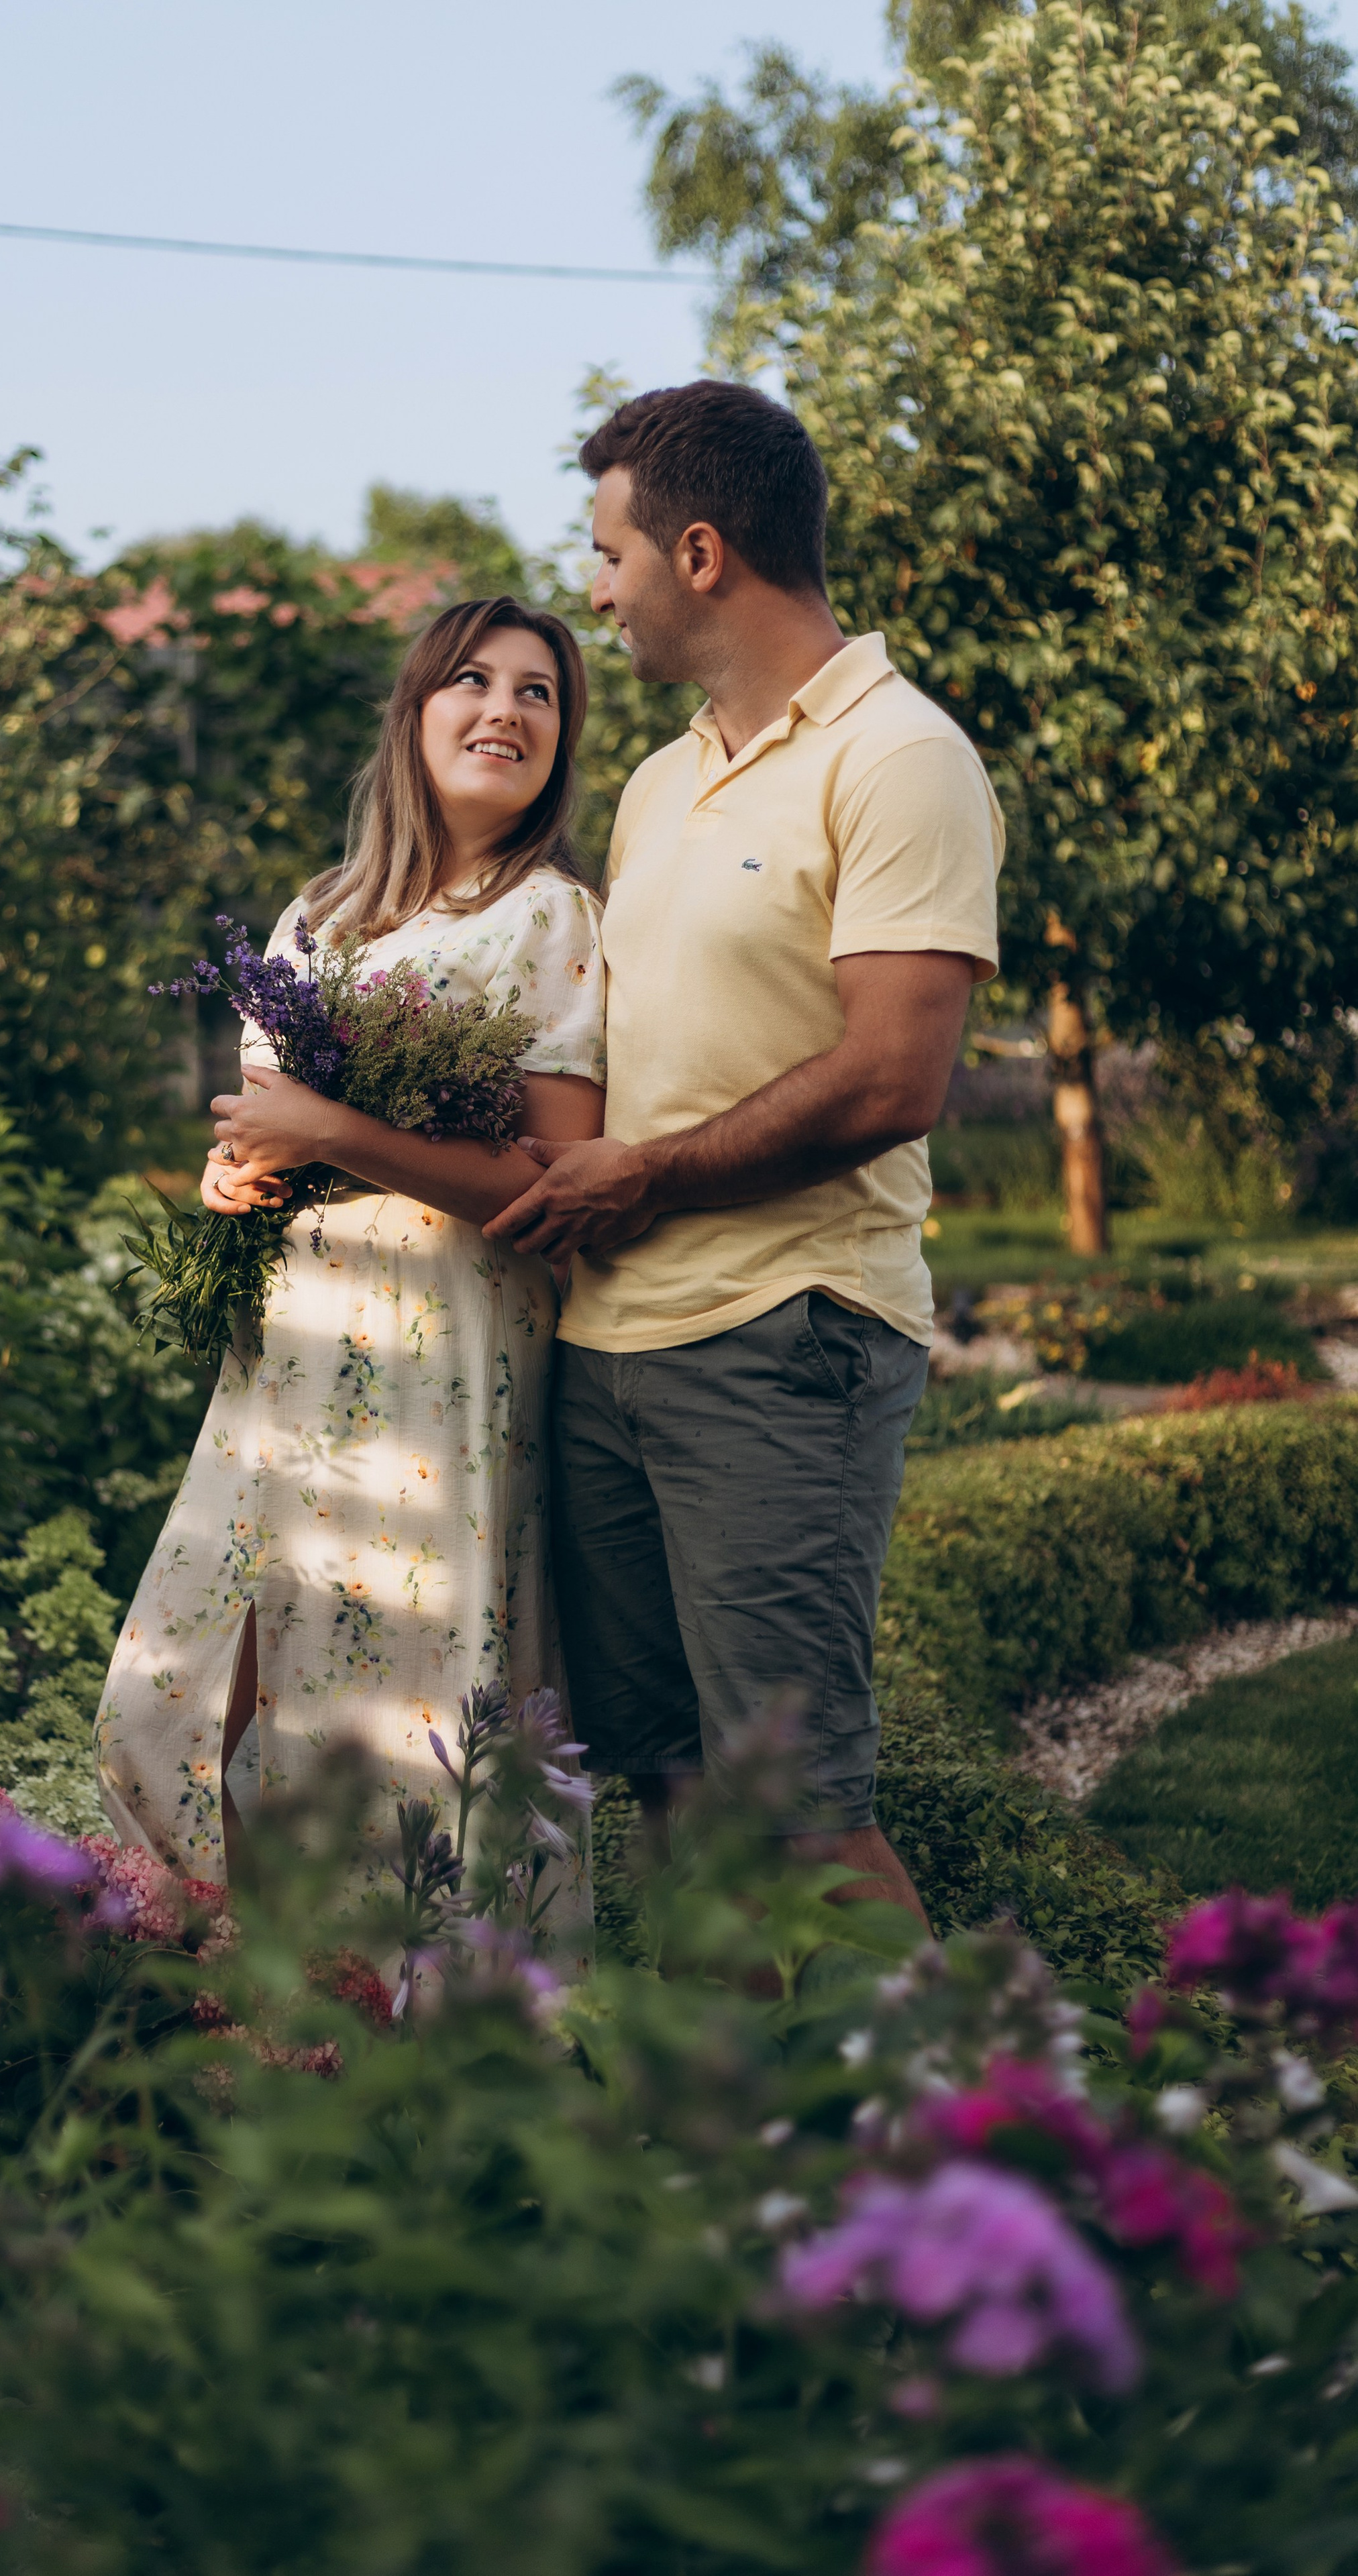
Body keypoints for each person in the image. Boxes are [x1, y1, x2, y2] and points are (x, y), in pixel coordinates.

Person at [486, 382, 1004, 1927]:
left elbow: (891, 1077)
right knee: (673, 1800)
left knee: (794, 1821)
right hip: (608, 1343)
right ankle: (729, 2092)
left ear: (698, 553)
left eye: (609, 555)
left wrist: (647, 1175)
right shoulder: (661, 782)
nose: (595, 592)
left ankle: (972, 2087)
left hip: (783, 1335)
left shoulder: (898, 757)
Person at [94, 598, 606, 1947]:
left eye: (539, 693)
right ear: (415, 711)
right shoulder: (318, 916)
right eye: (473, 680)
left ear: (561, 739)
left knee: (406, 1701)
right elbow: (264, 1131)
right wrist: (233, 1176)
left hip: (446, 1348)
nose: (505, 710)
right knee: (184, 1685)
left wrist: (335, 1134)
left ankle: (410, 2010)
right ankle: (250, 1991)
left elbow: (551, 1186)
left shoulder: (552, 917)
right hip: (294, 1345)